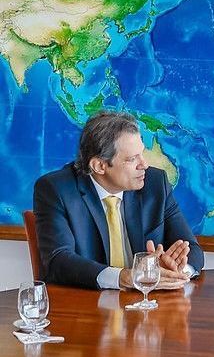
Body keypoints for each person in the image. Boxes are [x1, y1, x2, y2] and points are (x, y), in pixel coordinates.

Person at [34, 111, 204, 290]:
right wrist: (124, 277)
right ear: (99, 166)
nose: (144, 164)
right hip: (88, 302)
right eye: (132, 159)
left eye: (142, 153)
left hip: (147, 302)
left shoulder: (155, 183)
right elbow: (58, 260)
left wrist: (175, 271)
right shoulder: (57, 190)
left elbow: (192, 248)